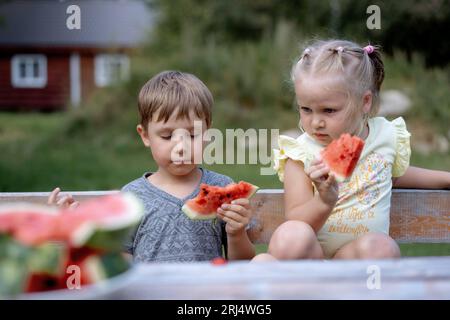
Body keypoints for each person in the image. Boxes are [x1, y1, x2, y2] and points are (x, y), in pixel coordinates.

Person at [252, 39, 450, 262]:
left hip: (356, 261)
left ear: (365, 102)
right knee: (290, 235)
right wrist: (324, 201)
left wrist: (445, 179)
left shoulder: (385, 136)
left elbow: (391, 175)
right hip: (311, 262)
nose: (316, 122)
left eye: (329, 110)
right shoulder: (299, 153)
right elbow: (297, 221)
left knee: (382, 247)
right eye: (306, 109)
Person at [48, 70, 255, 263]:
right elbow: (120, 264)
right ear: (145, 135)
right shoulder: (131, 197)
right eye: (167, 136)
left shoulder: (222, 186)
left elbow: (242, 265)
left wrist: (236, 233)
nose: (181, 147)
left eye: (192, 135)